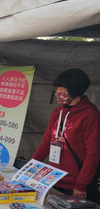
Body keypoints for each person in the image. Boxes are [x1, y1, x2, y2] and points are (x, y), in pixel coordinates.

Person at [32, 68, 100, 201]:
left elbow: (93, 153)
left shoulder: (90, 115)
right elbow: (46, 144)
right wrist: (29, 168)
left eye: (62, 89)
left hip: (77, 185)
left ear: (74, 89)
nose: (57, 93)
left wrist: (81, 184)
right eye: (57, 89)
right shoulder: (57, 113)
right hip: (54, 180)